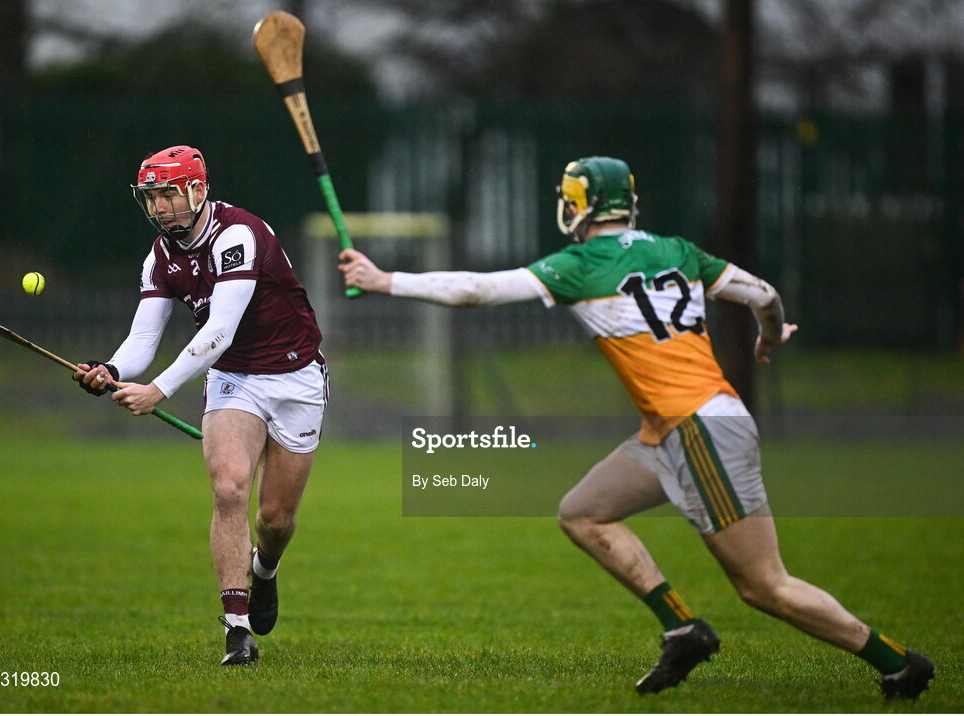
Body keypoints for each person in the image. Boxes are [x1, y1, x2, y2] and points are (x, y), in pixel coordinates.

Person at [337, 156, 934, 699]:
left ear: (580, 206)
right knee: (583, 512)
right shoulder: (679, 250)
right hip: (674, 428)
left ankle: (899, 664)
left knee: (764, 587)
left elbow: (477, 289)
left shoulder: (581, 263)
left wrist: (387, 280)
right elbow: (764, 295)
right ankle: (683, 628)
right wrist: (770, 337)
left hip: (699, 429)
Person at [73, 145, 328, 667]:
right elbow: (144, 337)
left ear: (197, 189)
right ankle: (237, 631)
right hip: (234, 378)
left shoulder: (238, 235)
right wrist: (112, 369)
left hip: (295, 376)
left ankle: (265, 569)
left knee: (275, 518)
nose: (160, 207)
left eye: (169, 194)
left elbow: (220, 328)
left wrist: (158, 390)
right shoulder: (160, 257)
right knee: (229, 488)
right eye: (152, 197)